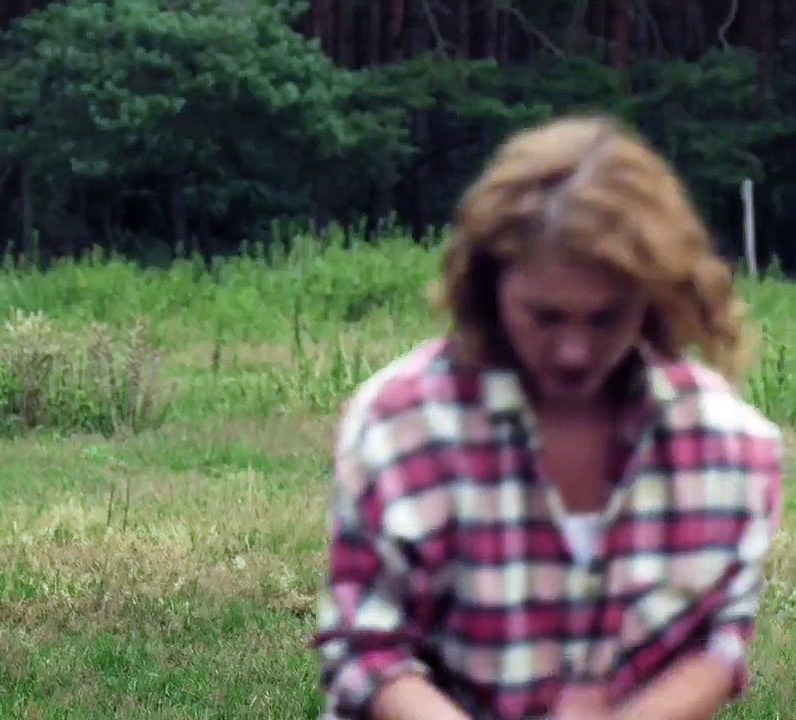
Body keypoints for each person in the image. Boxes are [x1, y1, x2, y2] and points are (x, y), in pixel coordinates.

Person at [313, 114, 782, 720]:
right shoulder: (401, 426)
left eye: (605, 317)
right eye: (545, 316)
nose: (573, 352)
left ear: (655, 295)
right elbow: (366, 648)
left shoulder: (727, 445)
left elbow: (717, 644)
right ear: (488, 285)